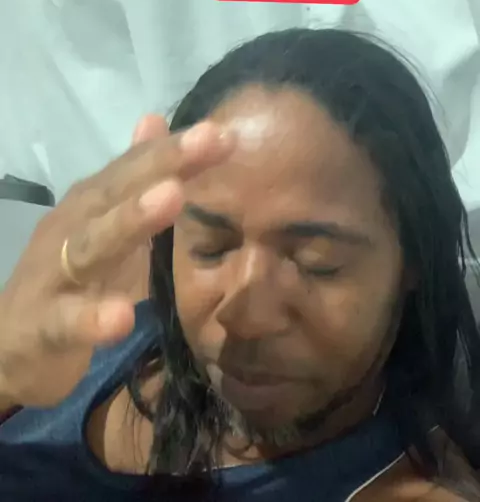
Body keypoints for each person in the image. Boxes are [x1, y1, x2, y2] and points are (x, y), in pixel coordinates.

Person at [0, 28, 480, 502]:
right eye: (211, 247)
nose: (245, 317)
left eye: (318, 263)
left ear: (413, 259)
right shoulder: (118, 310)